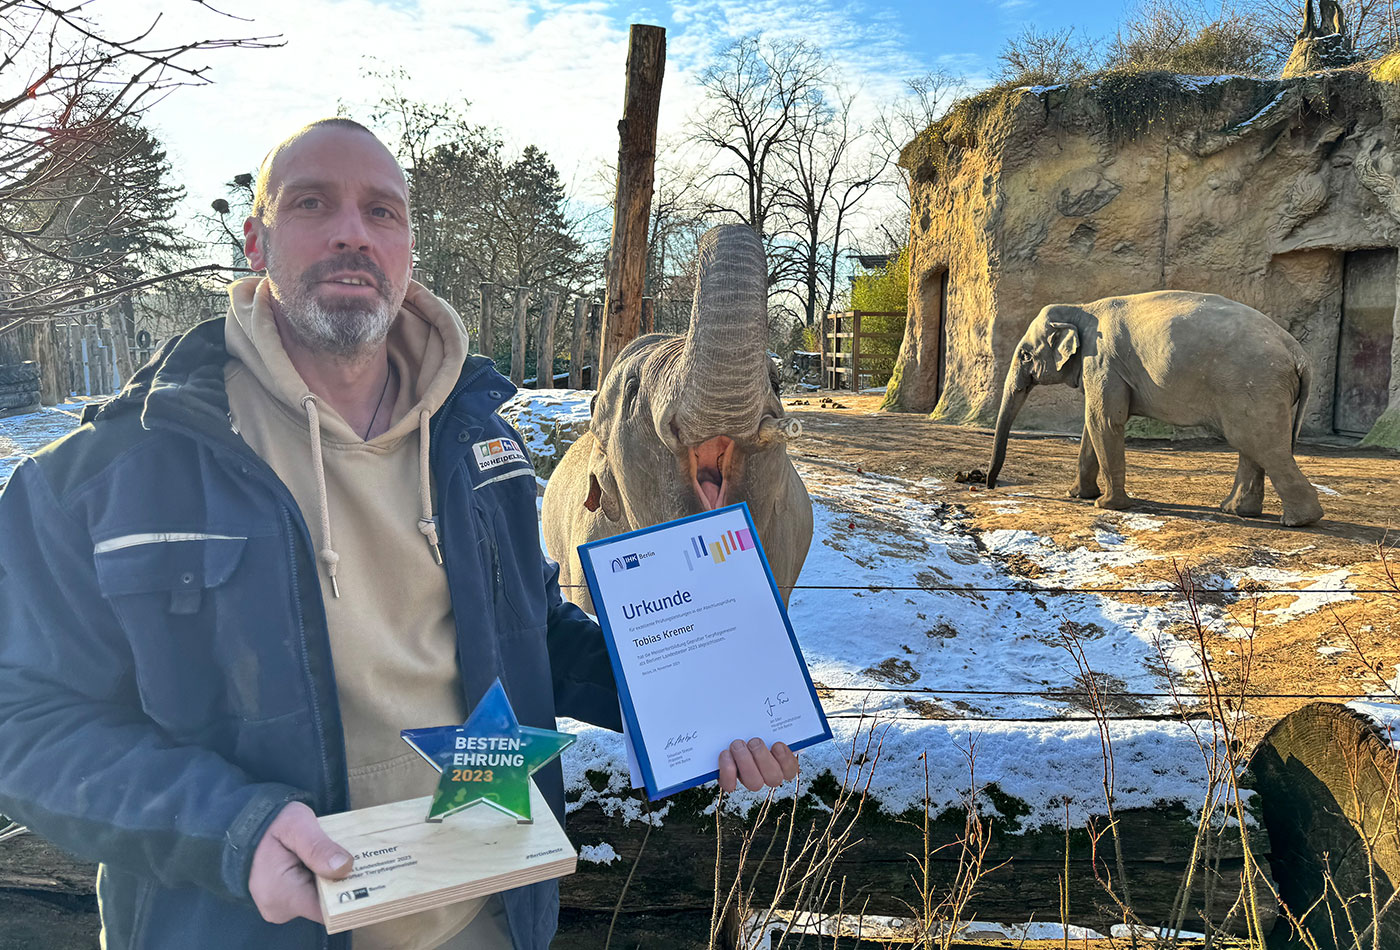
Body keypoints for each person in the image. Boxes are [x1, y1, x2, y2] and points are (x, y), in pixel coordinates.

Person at [0, 119, 799, 950]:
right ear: (255, 238)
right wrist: (228, 831)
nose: (353, 231)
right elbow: (22, 722)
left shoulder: (479, 443)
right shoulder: (108, 473)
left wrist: (693, 706)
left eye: (383, 212)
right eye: (313, 203)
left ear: (410, 247)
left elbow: (525, 625)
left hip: (484, 923)